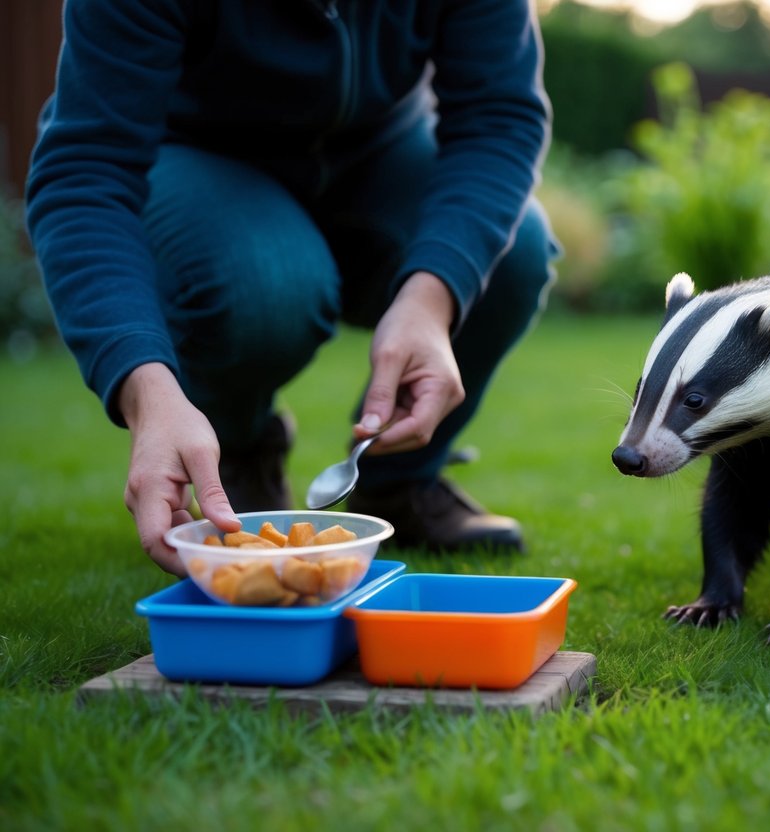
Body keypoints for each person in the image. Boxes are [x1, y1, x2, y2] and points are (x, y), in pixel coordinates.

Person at [25, 0, 558, 575]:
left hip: (379, 151)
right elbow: (85, 175)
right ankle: (234, 452)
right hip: (197, 156)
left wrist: (431, 299)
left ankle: (398, 482)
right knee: (267, 286)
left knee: (516, 250)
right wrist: (147, 393)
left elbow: (499, 118)